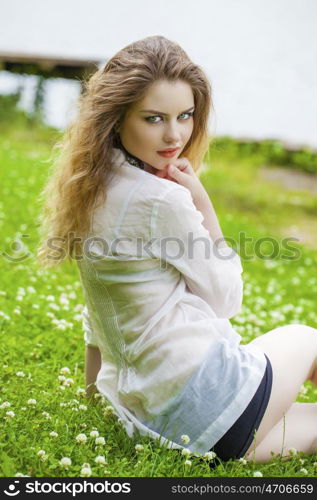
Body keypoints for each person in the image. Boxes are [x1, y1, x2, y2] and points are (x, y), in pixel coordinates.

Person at [36, 35, 317, 464]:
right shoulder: (160, 199)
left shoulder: (90, 188)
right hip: (208, 396)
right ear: (115, 118)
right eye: (154, 118)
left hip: (160, 419)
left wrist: (95, 399)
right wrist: (203, 205)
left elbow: (98, 310)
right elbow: (226, 300)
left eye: (185, 115)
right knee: (305, 337)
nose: (175, 135)